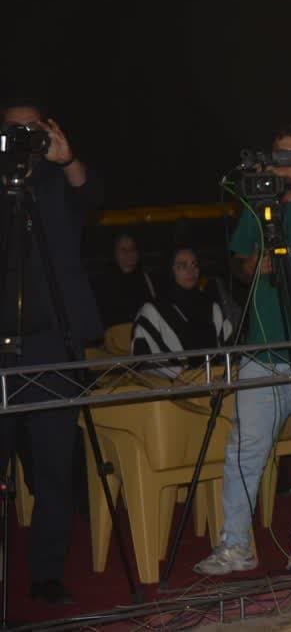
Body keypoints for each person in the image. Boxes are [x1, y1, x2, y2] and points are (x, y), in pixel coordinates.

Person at [195, 122, 291, 575]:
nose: (285, 163)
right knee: (244, 451)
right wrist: (253, 265)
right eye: (279, 154)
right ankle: (236, 545)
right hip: (261, 352)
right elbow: (240, 266)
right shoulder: (257, 205)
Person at [0, 101, 102, 605]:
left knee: (55, 466)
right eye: (14, 130)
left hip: (52, 344)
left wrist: (68, 159)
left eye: (32, 129)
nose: (24, 138)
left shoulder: (57, 179)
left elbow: (94, 200)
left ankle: (45, 573)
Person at [131, 248, 232, 376]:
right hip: (171, 385)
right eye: (182, 266)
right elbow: (142, 359)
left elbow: (229, 350)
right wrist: (179, 375)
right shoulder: (152, 310)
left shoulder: (212, 307)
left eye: (194, 265)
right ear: (170, 270)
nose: (190, 271)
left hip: (213, 381)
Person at [95, 231, 158, 328]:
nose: (129, 253)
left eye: (132, 249)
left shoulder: (147, 279)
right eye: (124, 250)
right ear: (115, 253)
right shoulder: (104, 283)